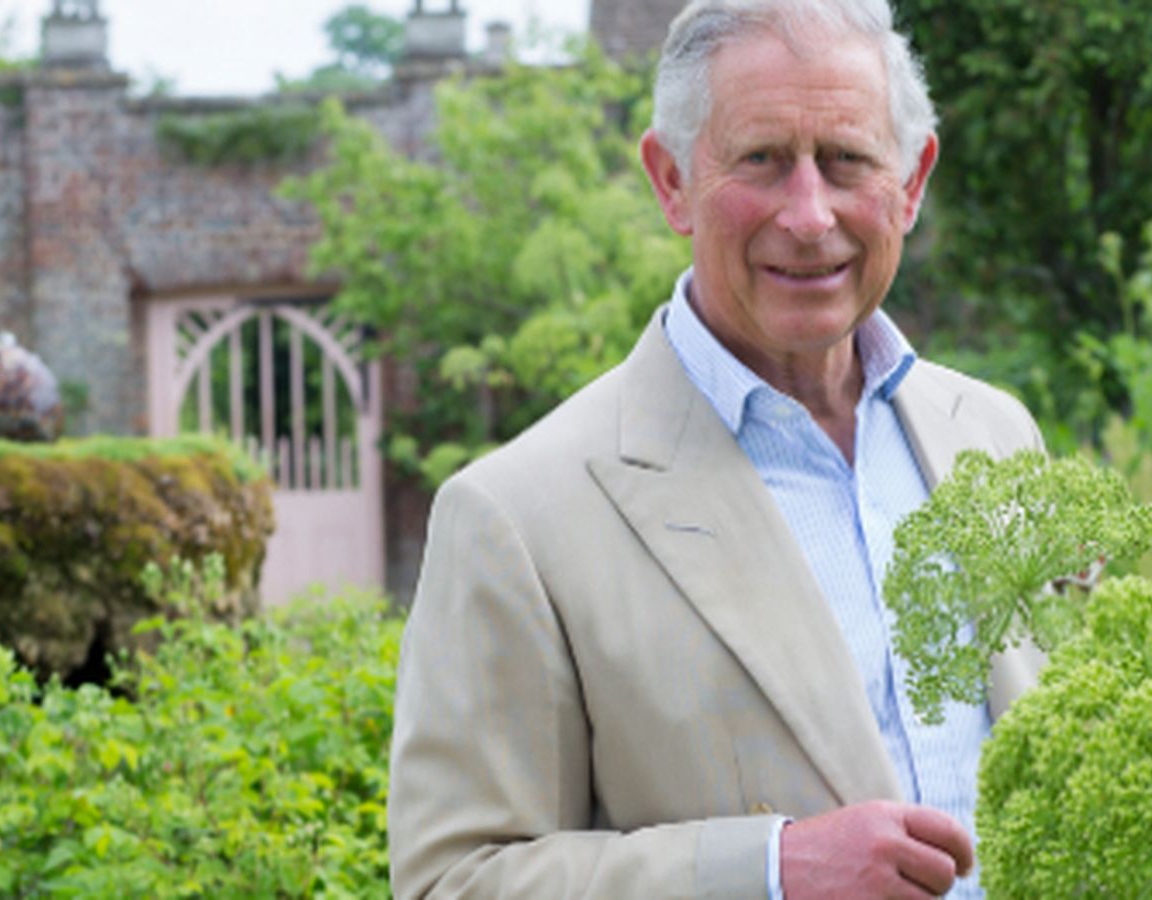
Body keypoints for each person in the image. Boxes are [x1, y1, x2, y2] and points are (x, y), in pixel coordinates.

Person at [386, 0, 1046, 897]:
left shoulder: (998, 437)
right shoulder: (516, 518)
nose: (810, 216)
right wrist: (768, 872)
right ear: (671, 180)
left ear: (912, 181)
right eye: (762, 161)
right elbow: (452, 880)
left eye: (847, 160)